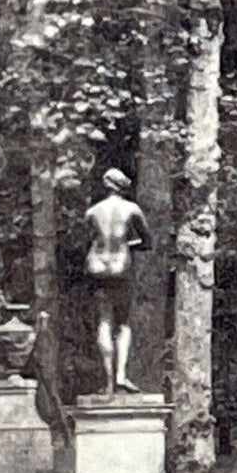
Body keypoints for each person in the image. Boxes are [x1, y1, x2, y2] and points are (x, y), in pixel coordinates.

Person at [86, 168, 150, 396]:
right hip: (121, 268)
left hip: (97, 267)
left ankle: (109, 380)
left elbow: (87, 240)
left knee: (103, 321)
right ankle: (121, 374)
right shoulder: (132, 209)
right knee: (123, 323)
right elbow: (147, 240)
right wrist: (127, 244)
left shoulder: (93, 212)